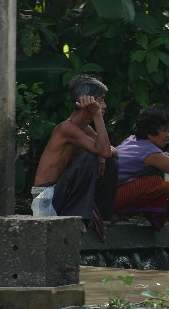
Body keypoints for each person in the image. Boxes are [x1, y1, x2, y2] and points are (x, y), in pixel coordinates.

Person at [32, 74, 119, 230]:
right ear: (87, 102)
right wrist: (97, 114)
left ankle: (103, 218)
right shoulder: (66, 128)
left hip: (60, 192)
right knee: (89, 156)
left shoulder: (85, 129)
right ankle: (78, 218)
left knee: (111, 163)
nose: (104, 106)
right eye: (100, 101)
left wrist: (103, 157)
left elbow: (111, 151)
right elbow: (104, 150)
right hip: (46, 197)